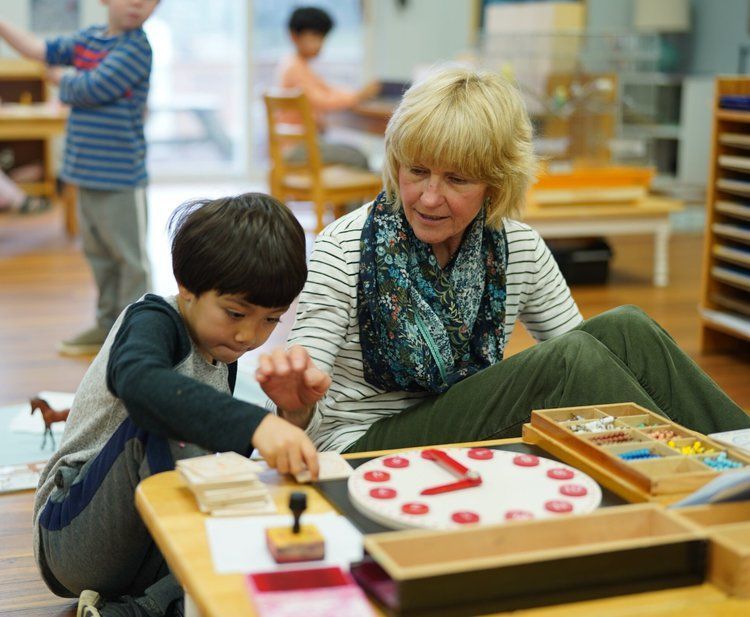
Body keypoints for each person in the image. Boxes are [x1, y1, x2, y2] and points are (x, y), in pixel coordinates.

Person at [256, 64, 750, 455]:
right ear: (396, 163)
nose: (428, 198)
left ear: (497, 182)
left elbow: (599, 365)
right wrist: (293, 409)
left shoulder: (518, 247)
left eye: (457, 180)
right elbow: (300, 408)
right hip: (360, 444)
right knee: (569, 362)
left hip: (462, 420)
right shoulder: (346, 246)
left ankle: (740, 455)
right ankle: (699, 478)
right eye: (418, 171)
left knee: (627, 329)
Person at [32, 193, 331, 617]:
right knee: (165, 424)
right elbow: (139, 382)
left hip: (145, 549)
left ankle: (139, 609)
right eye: (234, 313)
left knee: (244, 505)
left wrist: (291, 416)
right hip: (72, 535)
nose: (249, 335)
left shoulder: (221, 350)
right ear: (187, 289)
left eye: (270, 320)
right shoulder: (153, 319)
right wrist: (256, 426)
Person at [0, 0, 158, 356]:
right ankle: (107, 326)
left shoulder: (136, 47)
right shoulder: (89, 39)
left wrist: (59, 78)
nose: (139, 3)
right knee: (98, 255)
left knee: (129, 260)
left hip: (121, 176)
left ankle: (135, 335)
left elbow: (91, 88)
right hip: (84, 172)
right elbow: (39, 50)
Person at [275, 5, 381, 170]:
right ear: (294, 36)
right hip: (298, 147)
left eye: (323, 38)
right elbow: (322, 99)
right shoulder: (295, 68)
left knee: (353, 153)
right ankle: (354, 195)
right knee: (358, 157)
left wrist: (356, 94)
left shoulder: (296, 65)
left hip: (297, 145)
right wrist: (358, 96)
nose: (320, 44)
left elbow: (326, 90)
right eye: (315, 36)